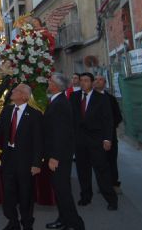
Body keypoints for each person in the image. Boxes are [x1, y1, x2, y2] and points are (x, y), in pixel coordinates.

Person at [0, 84, 43, 230]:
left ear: (24, 96)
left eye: (15, 91)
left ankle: (27, 223)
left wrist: (36, 163)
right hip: (9, 158)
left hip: (26, 160)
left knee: (25, 193)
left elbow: (39, 141)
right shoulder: (7, 110)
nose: (12, 92)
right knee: (8, 193)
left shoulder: (35, 115)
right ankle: (13, 221)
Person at [69, 72, 118, 210]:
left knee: (102, 171)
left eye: (86, 80)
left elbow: (108, 120)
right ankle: (85, 196)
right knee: (82, 171)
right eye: (81, 80)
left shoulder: (101, 99)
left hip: (96, 141)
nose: (83, 83)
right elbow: (70, 118)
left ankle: (111, 199)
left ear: (92, 83)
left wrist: (107, 139)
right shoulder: (74, 97)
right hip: (80, 142)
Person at [44, 73, 85, 230]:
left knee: (63, 191)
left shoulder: (60, 104)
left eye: (50, 81)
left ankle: (76, 224)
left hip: (59, 156)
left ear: (56, 85)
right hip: (57, 155)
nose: (48, 82)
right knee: (60, 191)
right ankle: (64, 219)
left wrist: (55, 157)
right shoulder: (56, 100)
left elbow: (61, 134)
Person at [93, 74, 123, 191]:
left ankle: (114, 183)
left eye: (100, 80)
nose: (97, 82)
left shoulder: (110, 99)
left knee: (111, 160)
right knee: (100, 162)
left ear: (104, 83)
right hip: (95, 137)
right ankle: (103, 185)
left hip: (110, 136)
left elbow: (117, 117)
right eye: (95, 79)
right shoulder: (90, 99)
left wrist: (108, 128)